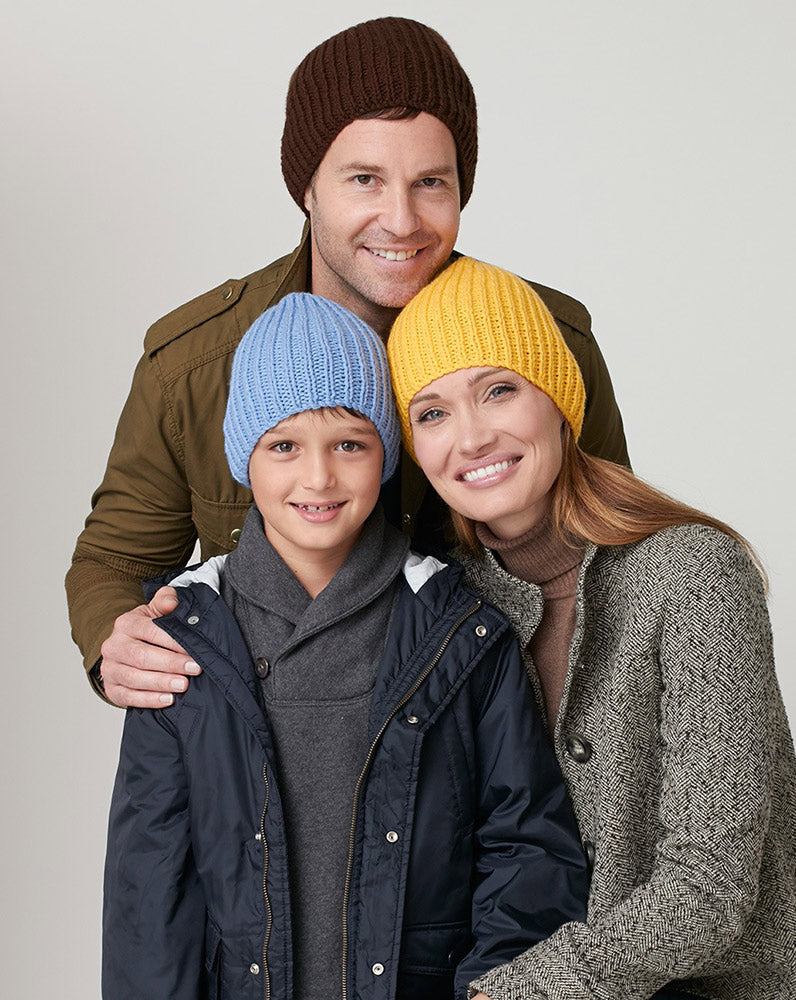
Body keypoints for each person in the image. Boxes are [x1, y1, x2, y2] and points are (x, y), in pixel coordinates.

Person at [65, 16, 629, 709]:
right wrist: (117, 641)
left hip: (502, 739)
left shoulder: (547, 345)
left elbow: (614, 555)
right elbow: (115, 561)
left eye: (431, 182)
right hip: (282, 750)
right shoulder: (194, 366)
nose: (402, 219)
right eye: (365, 179)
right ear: (306, 188)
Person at [102, 291, 589, 1000]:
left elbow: (526, 845)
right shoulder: (183, 638)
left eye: (350, 444)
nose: (319, 478)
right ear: (244, 459)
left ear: (386, 455)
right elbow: (149, 889)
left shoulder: (461, 630)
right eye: (283, 446)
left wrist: (494, 988)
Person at [386, 256, 796, 1000]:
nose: (471, 438)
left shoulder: (691, 572)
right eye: (432, 413)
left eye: (499, 390)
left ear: (558, 399)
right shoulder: (444, 599)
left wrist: (514, 992)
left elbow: (710, 887)